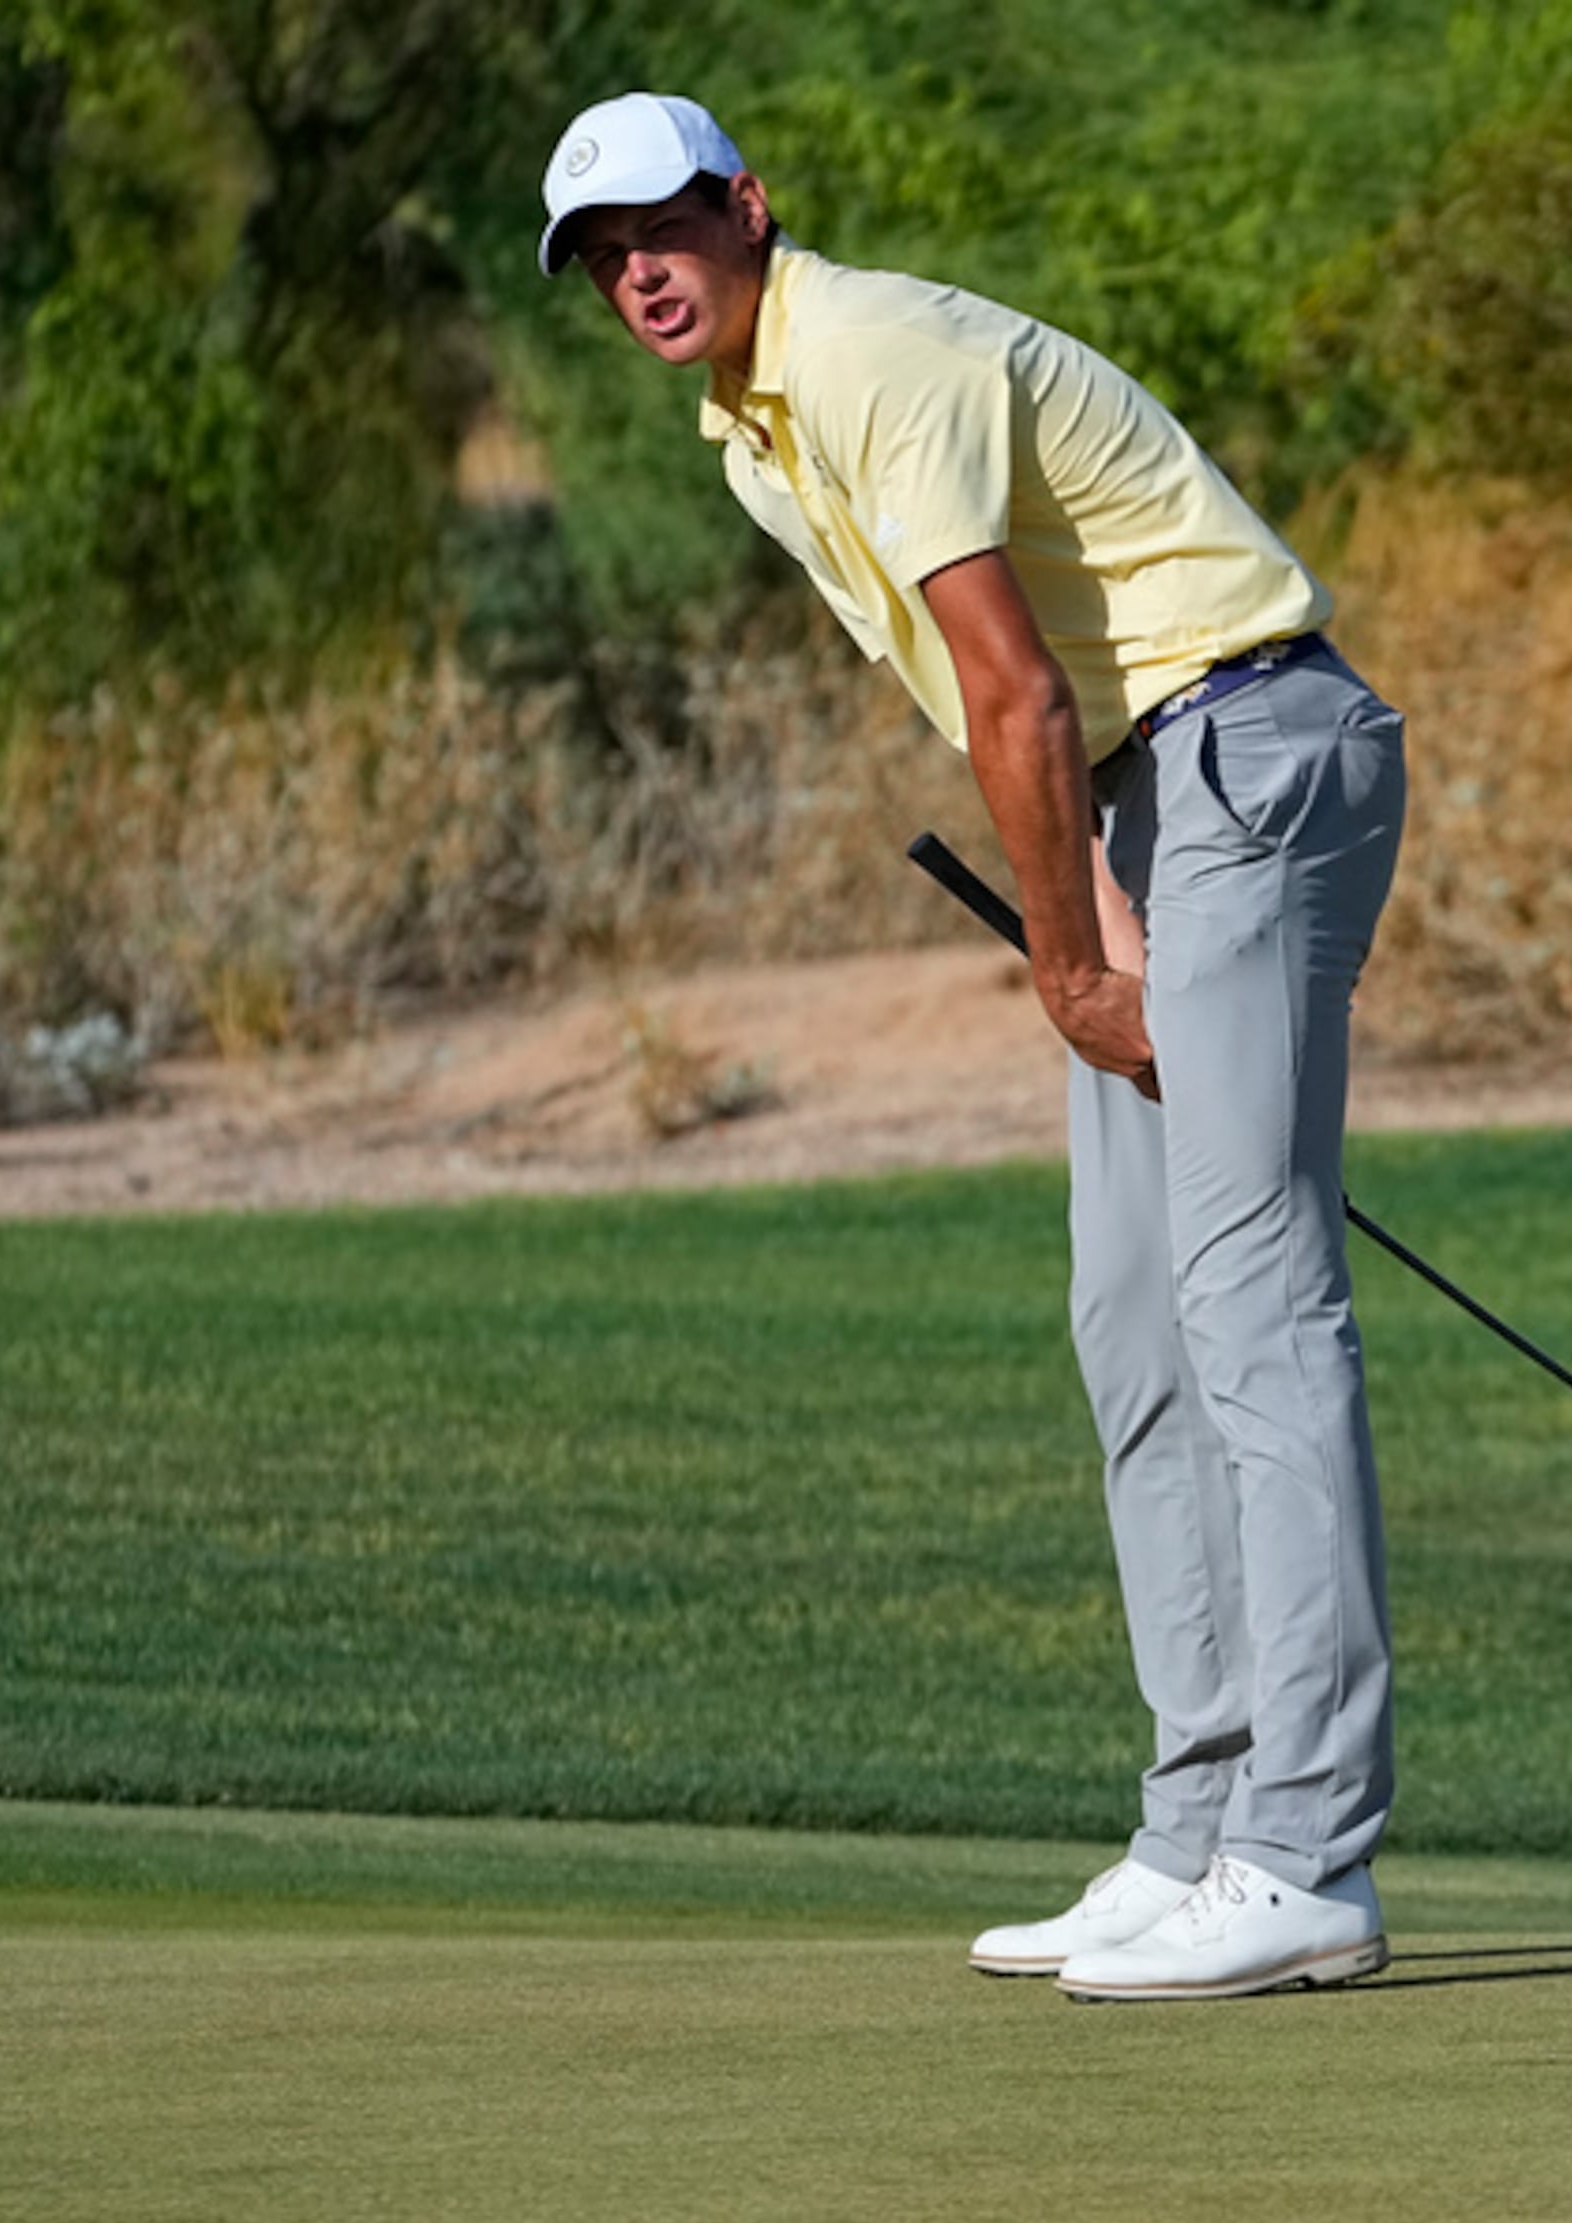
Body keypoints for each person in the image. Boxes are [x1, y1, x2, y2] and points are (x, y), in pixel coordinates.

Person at [539, 93, 1406, 2001]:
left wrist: (1080, 980)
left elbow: (1008, 685)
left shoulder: (864, 353)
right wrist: (1092, 922)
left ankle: (1308, 1851)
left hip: (1250, 749)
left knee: (1252, 1294)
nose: (643, 275)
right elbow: (1007, 709)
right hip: (1146, 788)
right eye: (605, 260)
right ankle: (1198, 1827)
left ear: (748, 207)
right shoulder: (752, 431)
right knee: (1134, 1309)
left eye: (665, 229)